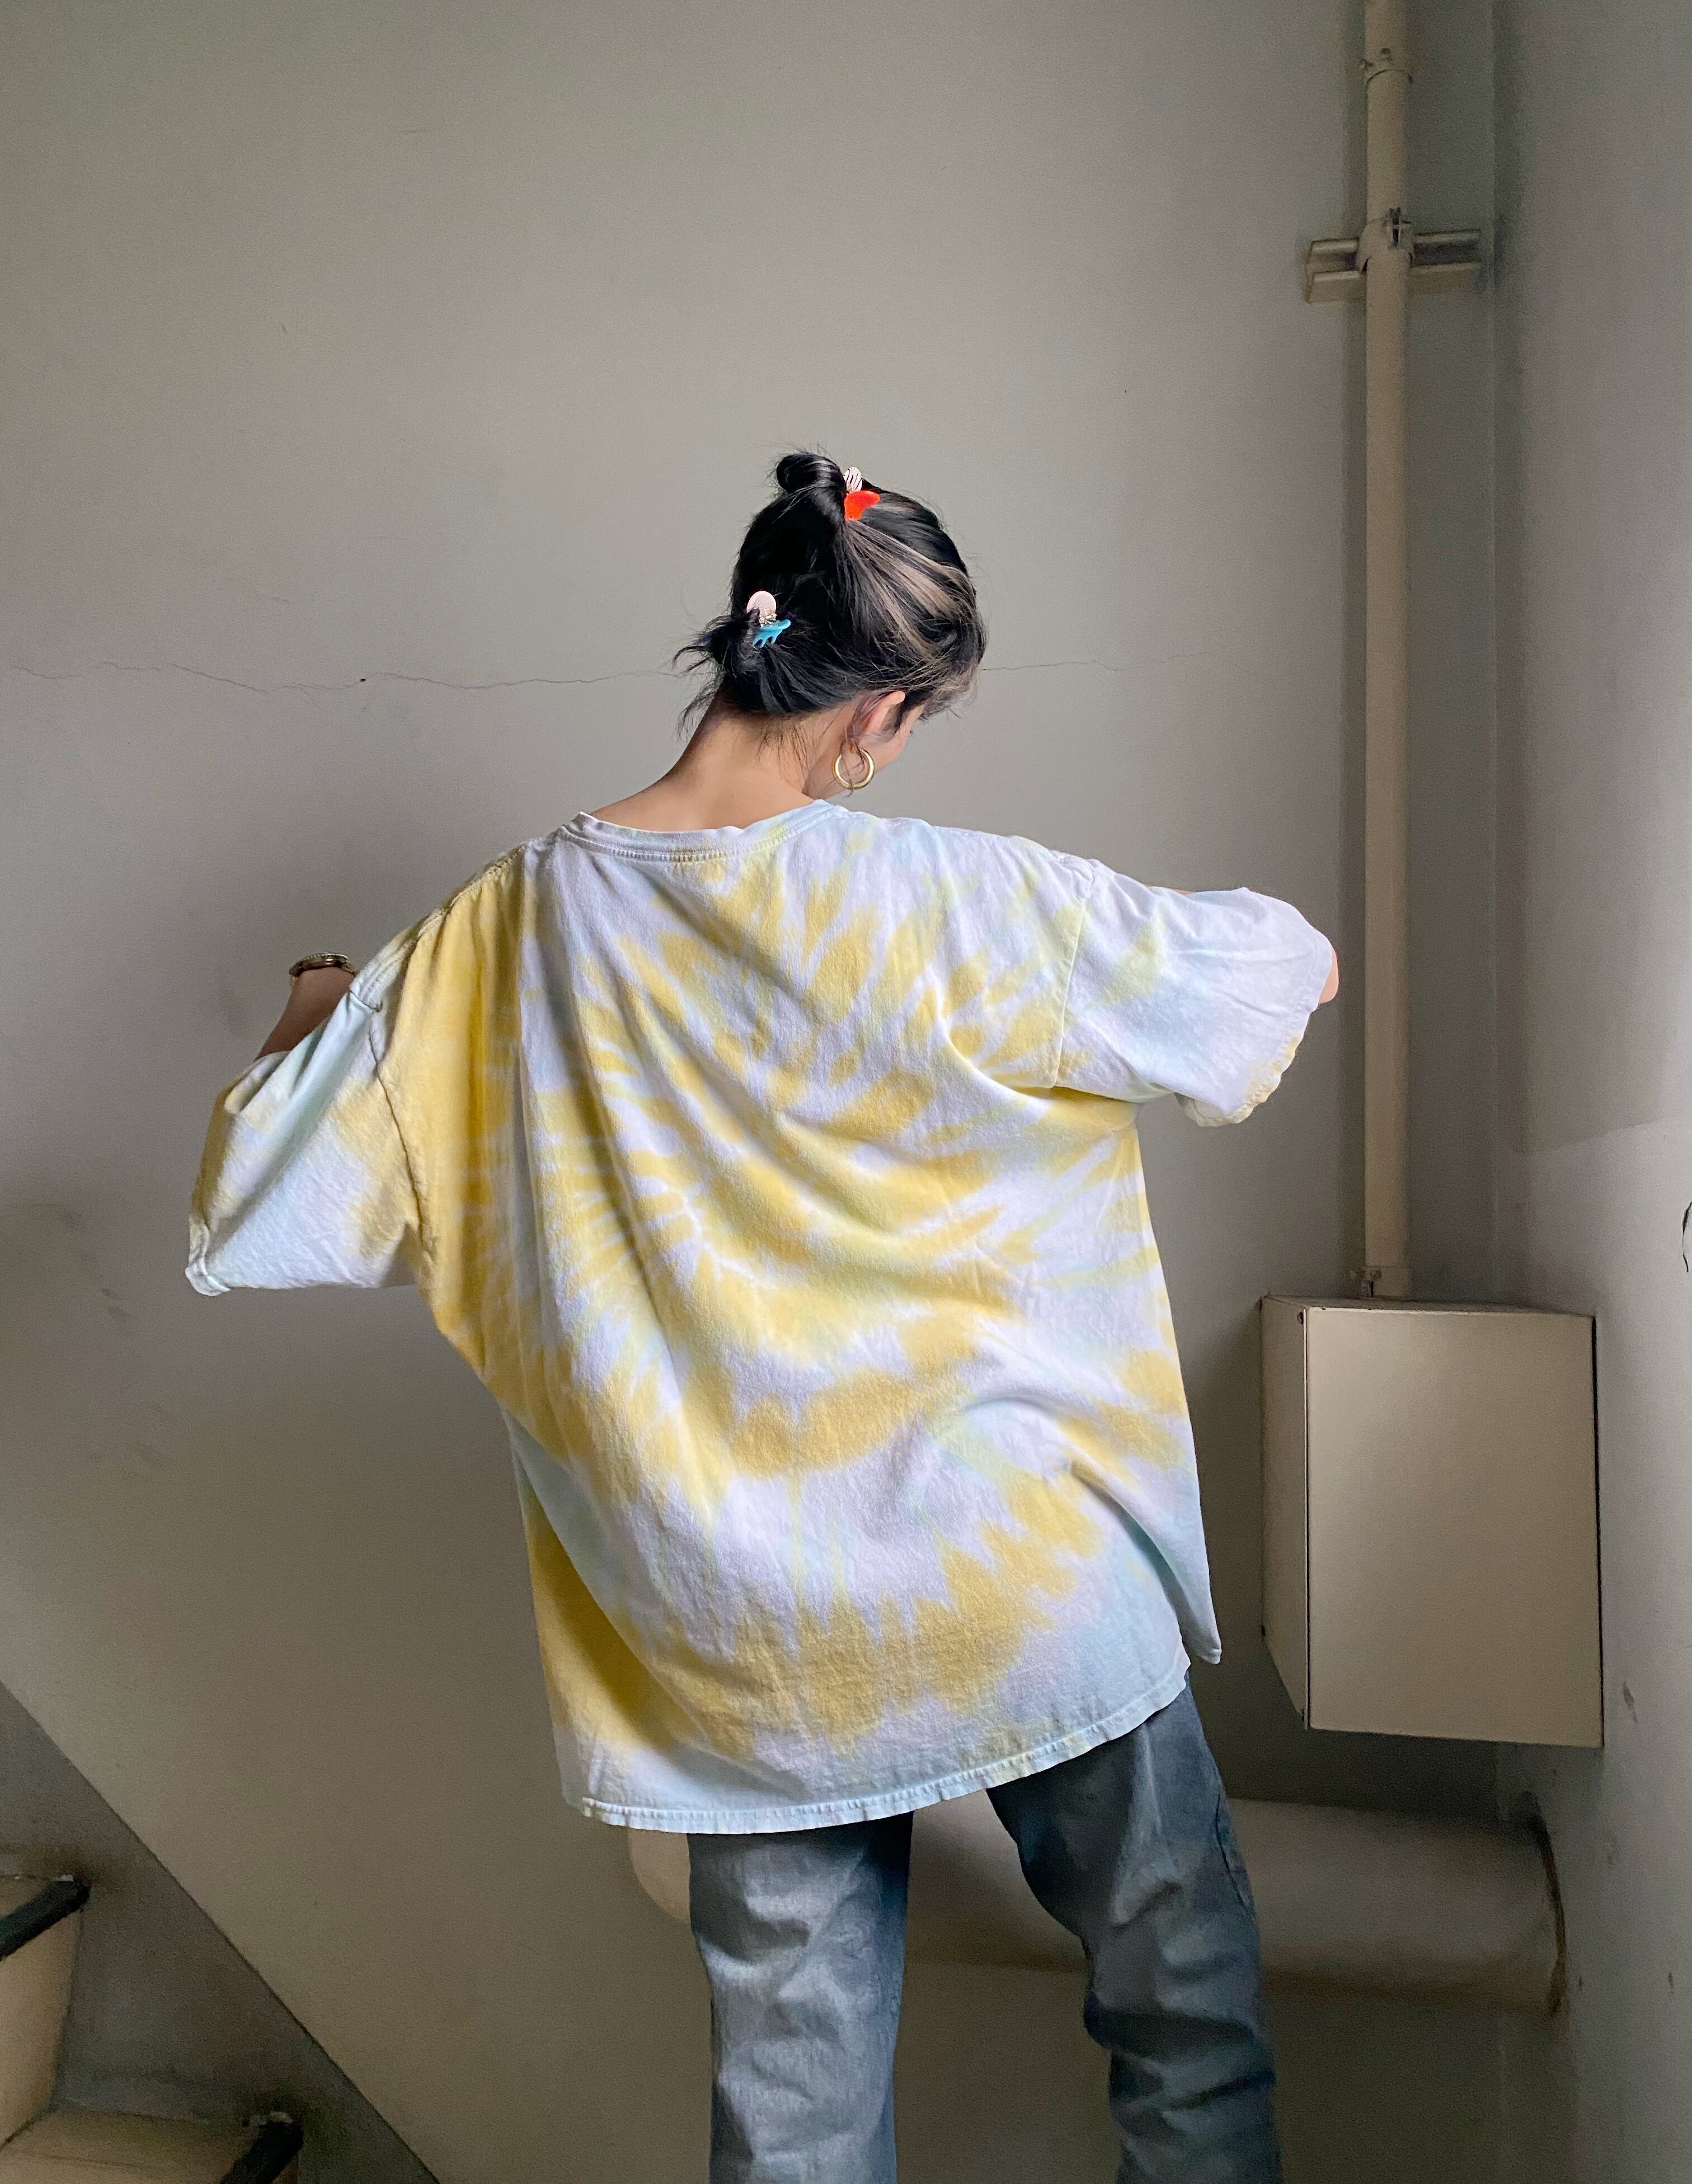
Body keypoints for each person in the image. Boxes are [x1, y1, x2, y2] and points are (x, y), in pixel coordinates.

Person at [189, 451, 1337, 2184]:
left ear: (745, 637)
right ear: (879, 713)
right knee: (1185, 2024)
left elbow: (262, 1184)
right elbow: (1274, 974)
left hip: (742, 1643)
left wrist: (323, 998)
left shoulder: (497, 938)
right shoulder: (960, 900)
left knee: (797, 2119)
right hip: (1021, 1581)